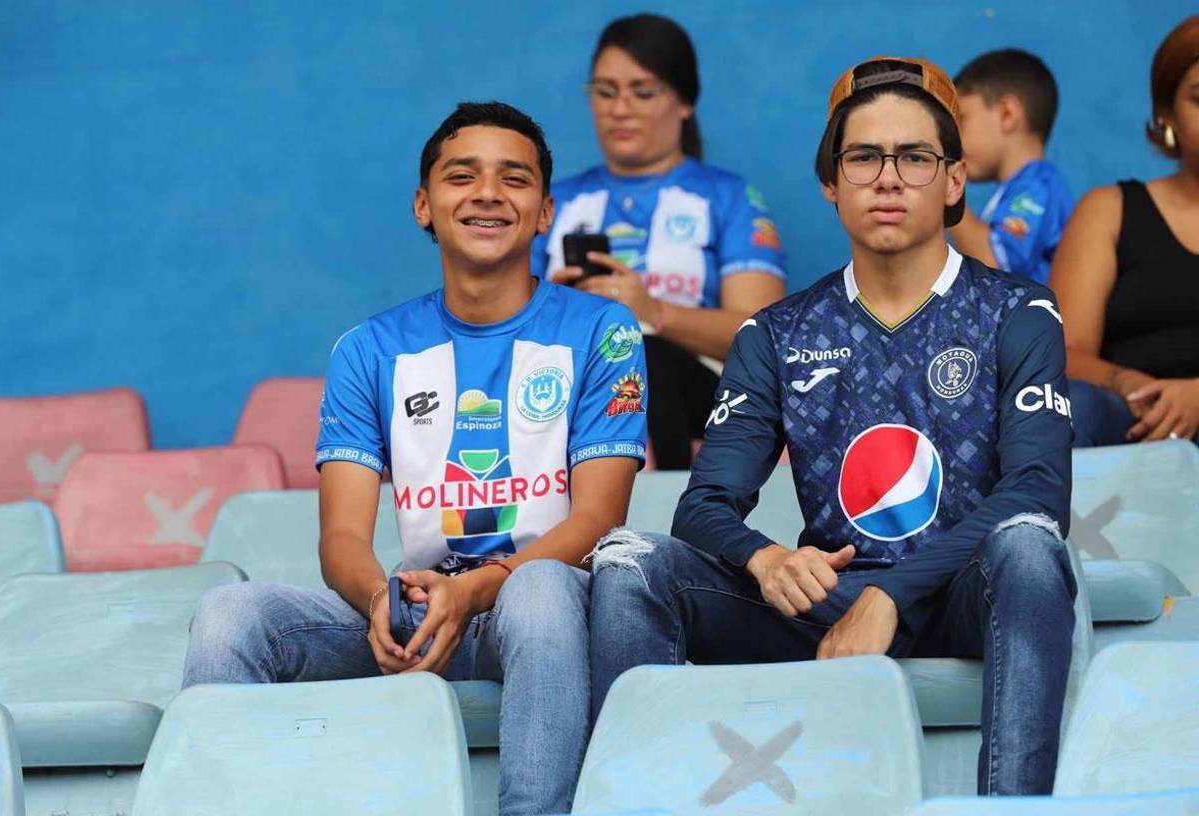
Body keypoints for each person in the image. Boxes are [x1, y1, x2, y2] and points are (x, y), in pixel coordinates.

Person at [589, 57, 1077, 796]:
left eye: (914, 157)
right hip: (825, 601)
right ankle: (636, 801)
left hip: (958, 593)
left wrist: (894, 594)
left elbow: (1040, 489)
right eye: (863, 157)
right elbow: (703, 505)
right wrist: (768, 561)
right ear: (831, 182)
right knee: (630, 565)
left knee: (1032, 550)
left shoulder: (1019, 310)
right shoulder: (777, 333)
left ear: (953, 182)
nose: (888, 177)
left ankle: (1010, 810)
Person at [183, 101, 648, 816]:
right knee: (229, 615)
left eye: (514, 179)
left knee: (540, 589)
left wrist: (472, 592)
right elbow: (340, 539)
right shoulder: (368, 349)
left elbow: (596, 520)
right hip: (421, 615)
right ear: (424, 205)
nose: (488, 193)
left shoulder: (603, 332)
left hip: (541, 621)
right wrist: (380, 599)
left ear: (546, 210)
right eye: (462, 176)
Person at [533, 13, 787, 469]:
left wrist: (654, 313)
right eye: (605, 92)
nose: (620, 108)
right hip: (575, 388)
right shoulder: (556, 202)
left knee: (640, 349)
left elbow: (764, 340)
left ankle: (670, 506)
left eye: (643, 91)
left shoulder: (728, 197)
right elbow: (505, 327)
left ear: (684, 100)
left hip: (701, 394)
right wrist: (559, 310)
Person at [1049, 15, 1199, 447]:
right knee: (1069, 406)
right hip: (1132, 431)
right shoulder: (1109, 211)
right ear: (1167, 112)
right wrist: (1128, 384)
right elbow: (1064, 351)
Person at [948, 49, 1073, 284]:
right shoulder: (1014, 192)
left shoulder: (1039, 187)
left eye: (962, 120)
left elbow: (994, 265)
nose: (954, 139)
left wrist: (945, 187)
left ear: (1007, 114)